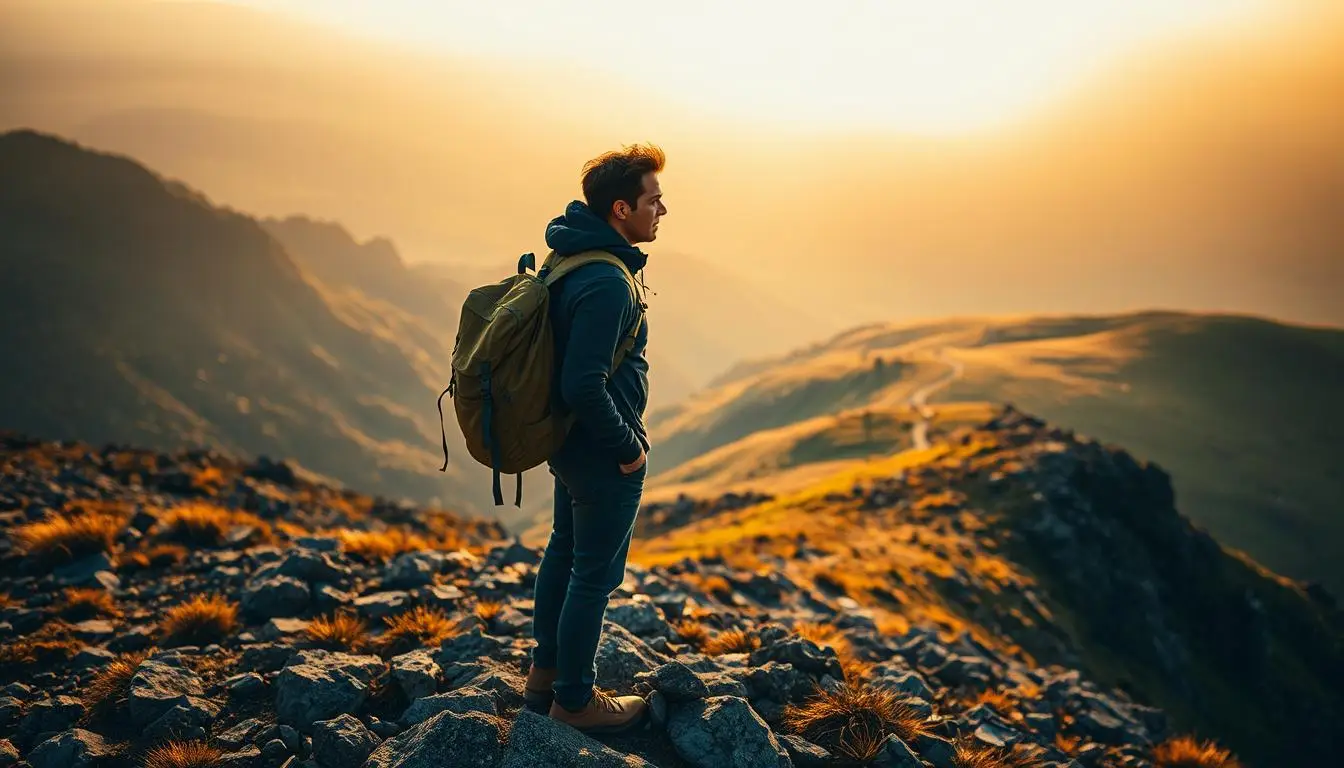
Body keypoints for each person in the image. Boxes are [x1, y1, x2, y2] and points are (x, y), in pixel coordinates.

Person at [523, 144, 667, 733]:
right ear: (620, 208)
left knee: (564, 552)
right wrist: (627, 446)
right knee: (594, 576)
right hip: (601, 449)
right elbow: (583, 382)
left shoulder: (571, 255)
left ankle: (545, 673)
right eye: (653, 200)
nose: (663, 210)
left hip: (568, 444)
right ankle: (574, 700)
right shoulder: (607, 281)